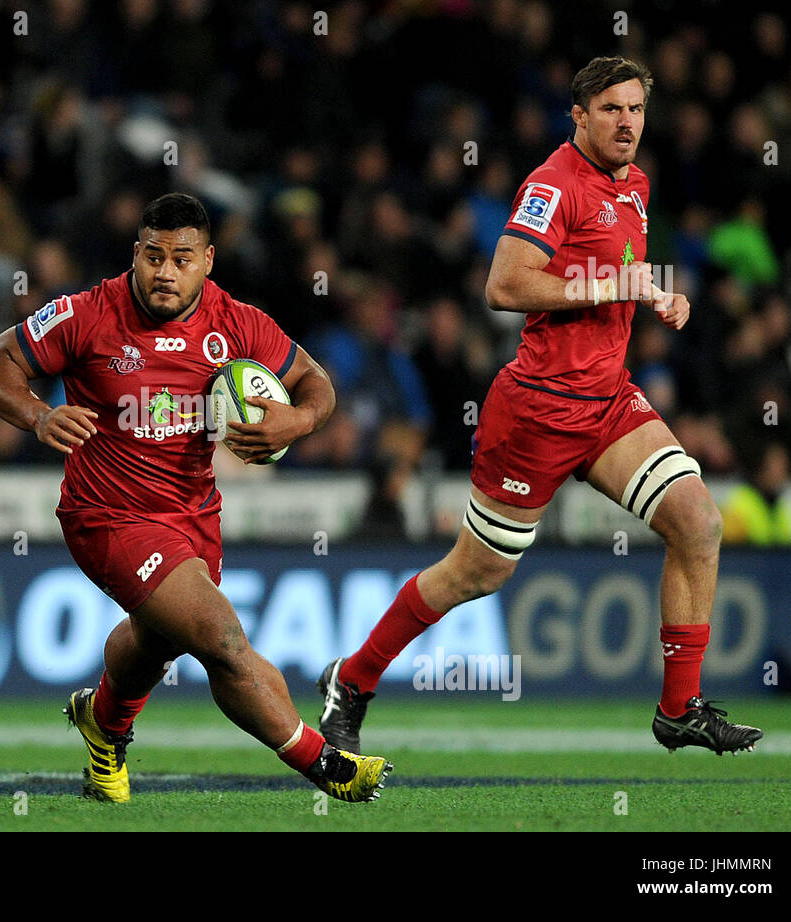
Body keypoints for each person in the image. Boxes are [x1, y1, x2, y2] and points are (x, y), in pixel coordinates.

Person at [318, 57, 762, 757]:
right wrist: (608, 283)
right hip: (537, 412)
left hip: (609, 402)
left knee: (699, 523)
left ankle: (679, 709)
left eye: (636, 109)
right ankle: (354, 677)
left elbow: (612, 277)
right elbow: (503, 284)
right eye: (611, 109)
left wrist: (657, 296)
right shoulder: (552, 185)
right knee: (476, 572)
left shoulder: (637, 187)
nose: (627, 122)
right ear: (579, 116)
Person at [0, 192, 389, 804]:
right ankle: (325, 765)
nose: (165, 272)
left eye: (182, 259)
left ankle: (104, 724)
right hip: (106, 514)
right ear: (135, 254)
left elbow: (315, 384)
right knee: (221, 639)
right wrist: (37, 416)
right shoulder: (87, 314)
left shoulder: (238, 322)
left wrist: (295, 424)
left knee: (157, 639)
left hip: (194, 516)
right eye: (153, 256)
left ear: (209, 261)